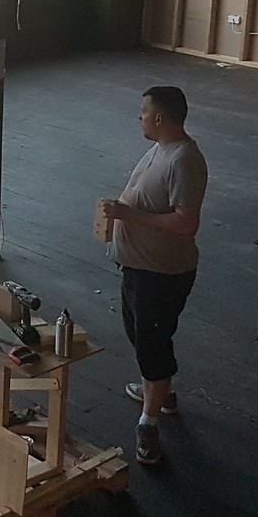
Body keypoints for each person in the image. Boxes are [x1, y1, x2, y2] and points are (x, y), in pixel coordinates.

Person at [102, 85, 208, 466]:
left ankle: (149, 422)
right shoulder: (160, 148)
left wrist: (126, 215)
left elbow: (186, 223)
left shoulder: (184, 161)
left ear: (160, 118)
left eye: (144, 112)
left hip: (161, 273)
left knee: (151, 342)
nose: (139, 117)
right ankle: (161, 390)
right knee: (141, 335)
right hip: (139, 267)